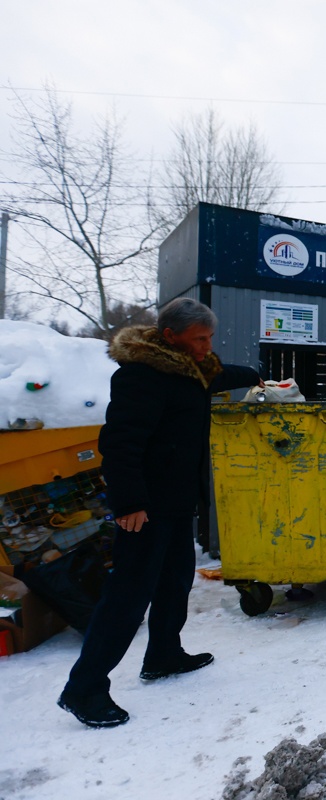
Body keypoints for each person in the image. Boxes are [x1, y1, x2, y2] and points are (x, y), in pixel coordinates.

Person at [58, 298, 262, 728]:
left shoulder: (192, 369)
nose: (207, 346)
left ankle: (164, 654)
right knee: (127, 597)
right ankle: (85, 688)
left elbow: (218, 376)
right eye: (199, 339)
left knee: (175, 581)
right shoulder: (140, 375)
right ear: (170, 337)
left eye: (209, 338)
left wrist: (261, 377)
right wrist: (129, 502)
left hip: (175, 501)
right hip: (145, 507)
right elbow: (120, 443)